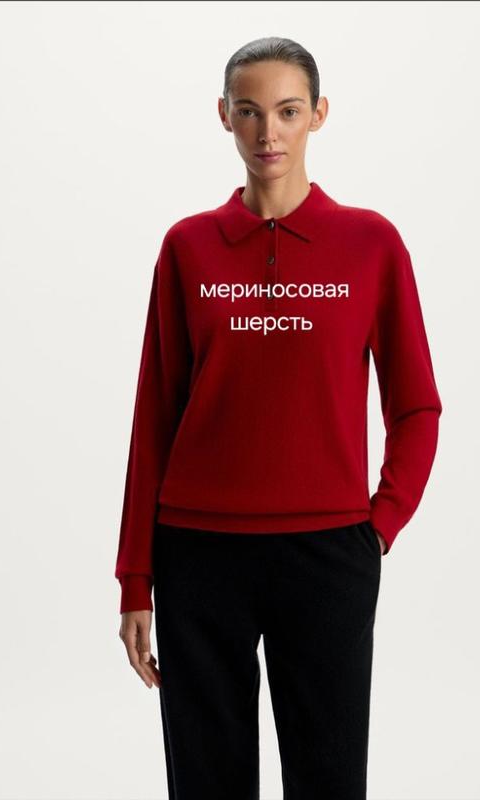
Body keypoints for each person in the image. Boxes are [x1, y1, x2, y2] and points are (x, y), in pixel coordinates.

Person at [116, 36, 442, 800]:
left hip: (327, 553)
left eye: (288, 111)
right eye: (250, 112)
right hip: (198, 551)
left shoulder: (370, 243)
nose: (268, 132)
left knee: (328, 779)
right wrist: (135, 579)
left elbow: (416, 404)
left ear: (318, 115)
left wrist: (379, 524)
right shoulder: (187, 247)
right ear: (223, 115)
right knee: (206, 782)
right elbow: (153, 416)